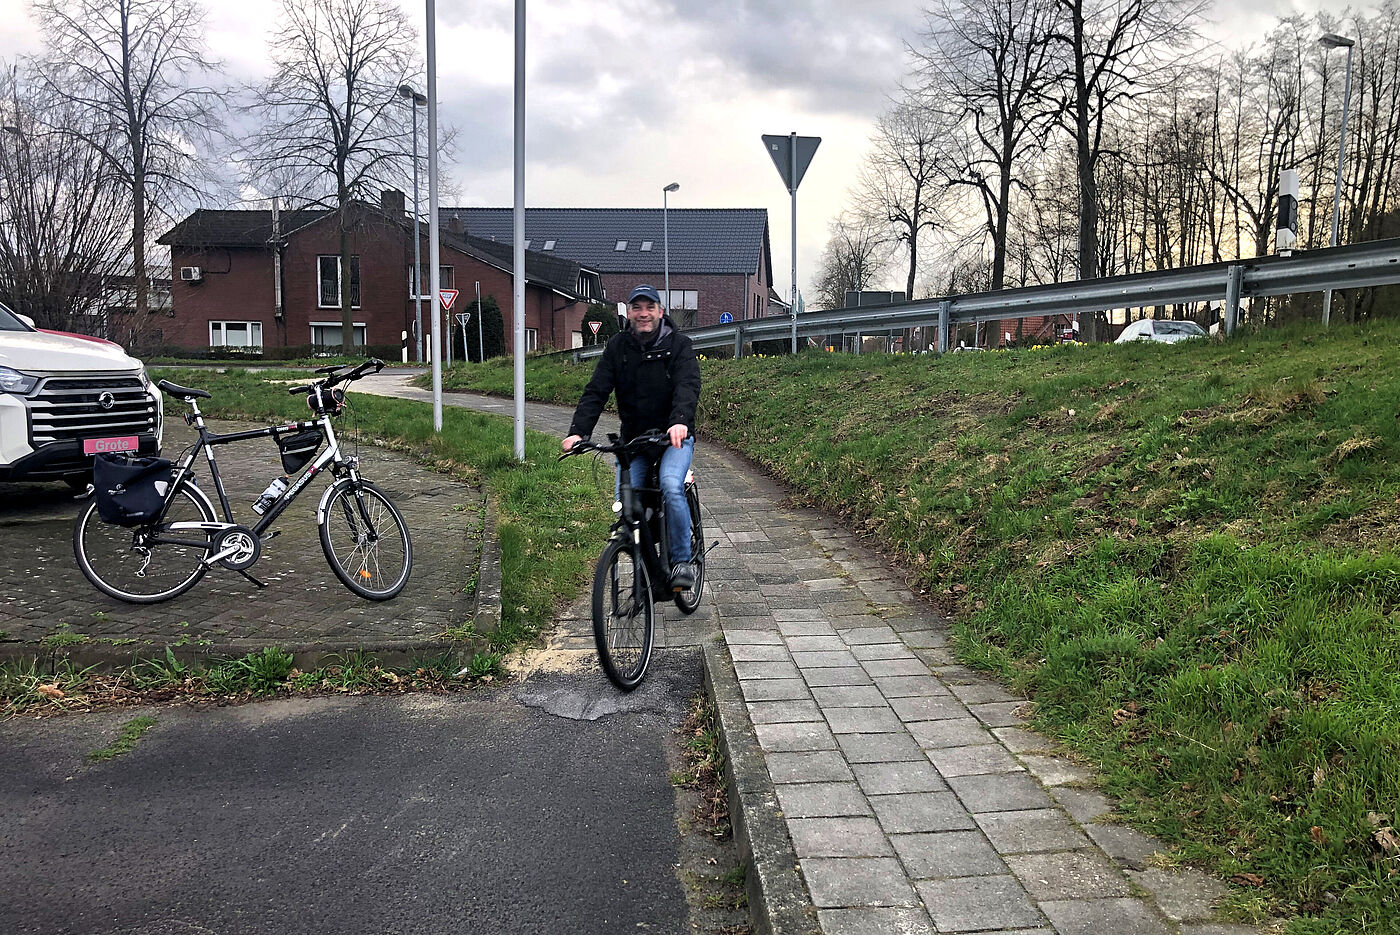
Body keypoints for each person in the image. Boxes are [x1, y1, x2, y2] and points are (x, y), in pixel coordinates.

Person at [563, 284, 702, 590]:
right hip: (635, 442)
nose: (643, 314)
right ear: (629, 312)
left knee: (669, 485)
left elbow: (687, 386)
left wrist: (679, 422)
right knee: (626, 506)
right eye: (637, 308)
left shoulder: (678, 344)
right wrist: (578, 433)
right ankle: (646, 562)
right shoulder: (617, 347)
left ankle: (680, 561)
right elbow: (596, 391)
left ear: (660, 312)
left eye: (649, 307)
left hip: (672, 439)